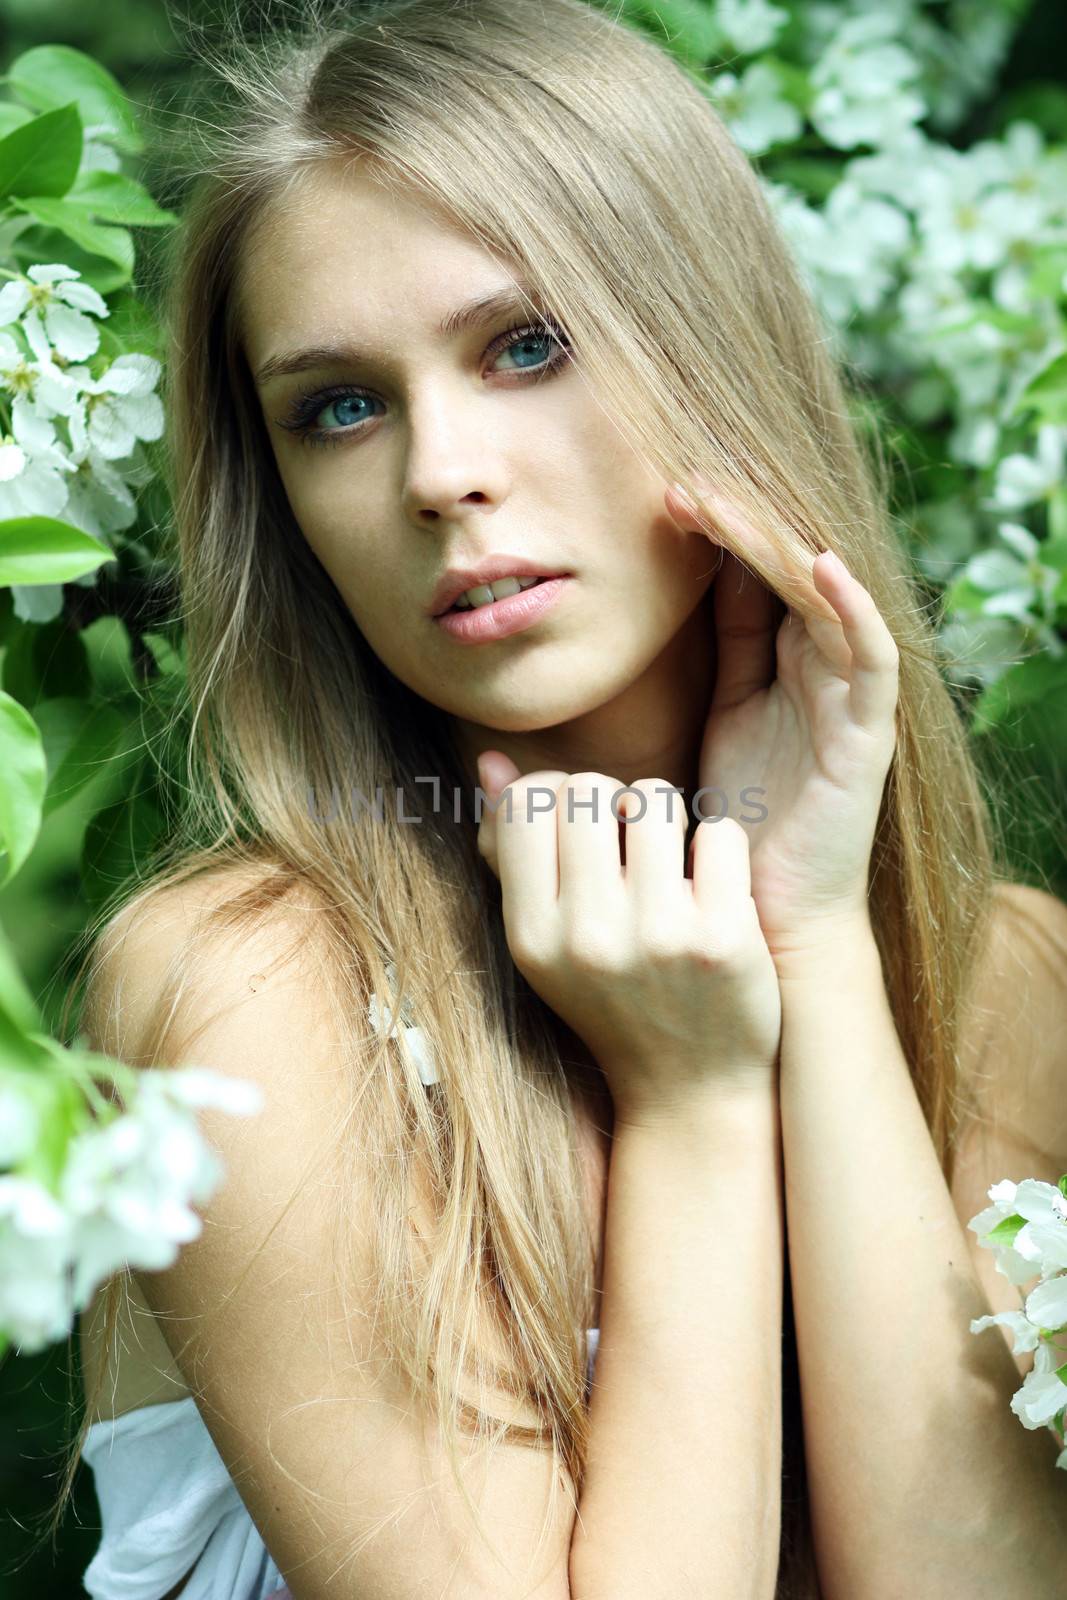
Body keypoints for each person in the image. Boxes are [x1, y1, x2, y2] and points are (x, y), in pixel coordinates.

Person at [46, 2, 1067, 1597]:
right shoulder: (253, 994)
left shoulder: (1016, 982)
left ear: (711, 350)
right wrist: (694, 1098)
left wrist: (813, 949)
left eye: (527, 345)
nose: (439, 471)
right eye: (340, 406)